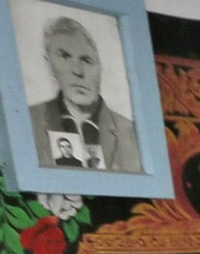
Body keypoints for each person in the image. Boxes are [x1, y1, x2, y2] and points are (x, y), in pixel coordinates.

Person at [28, 16, 141, 173]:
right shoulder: (27, 121)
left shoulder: (132, 133)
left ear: (100, 67)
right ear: (49, 64)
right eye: (65, 57)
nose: (78, 71)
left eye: (86, 60)